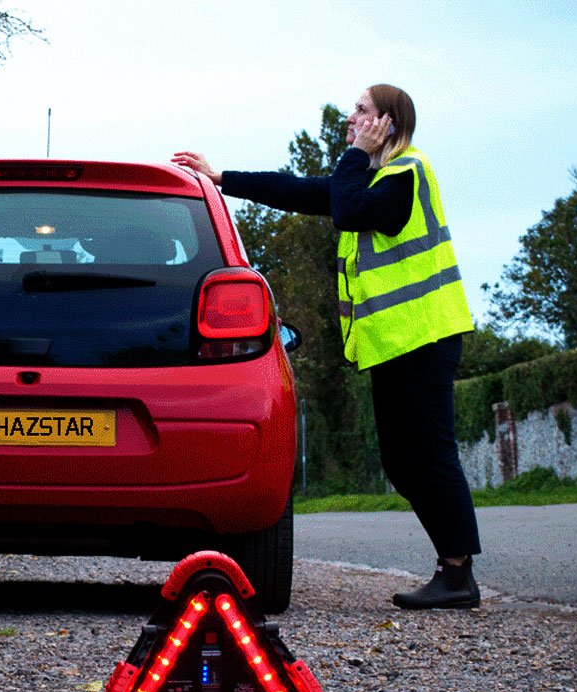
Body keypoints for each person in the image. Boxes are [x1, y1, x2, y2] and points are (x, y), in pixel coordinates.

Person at [173, 83, 481, 610]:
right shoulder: (372, 177)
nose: (350, 117)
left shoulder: (405, 173)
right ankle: (452, 568)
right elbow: (299, 190)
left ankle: (456, 573)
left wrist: (356, 155)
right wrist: (221, 178)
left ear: (388, 121)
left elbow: (351, 211)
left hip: (425, 337)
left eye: (361, 111)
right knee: (402, 462)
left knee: (431, 455)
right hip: (395, 342)